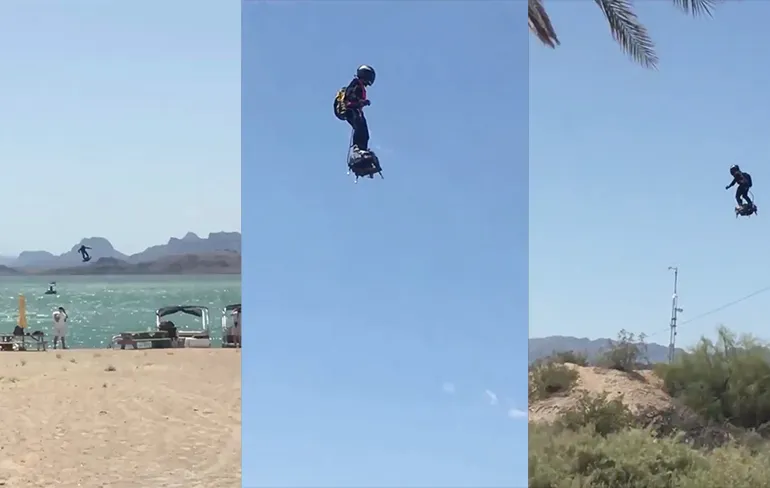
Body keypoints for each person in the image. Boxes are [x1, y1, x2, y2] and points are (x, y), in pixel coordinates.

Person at [334, 65, 376, 153]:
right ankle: (357, 147)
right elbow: (350, 97)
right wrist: (360, 102)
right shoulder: (355, 84)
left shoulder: (360, 86)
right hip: (350, 109)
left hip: (355, 110)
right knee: (359, 126)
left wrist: (361, 103)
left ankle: (363, 148)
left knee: (363, 129)